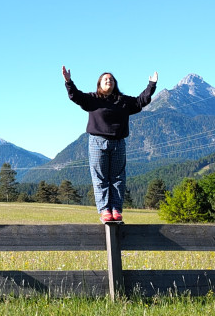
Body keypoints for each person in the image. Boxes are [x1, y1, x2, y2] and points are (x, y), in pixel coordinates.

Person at [62, 65, 158, 223]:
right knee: (100, 178)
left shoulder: (123, 101)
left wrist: (151, 85)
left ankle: (116, 209)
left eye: (111, 79)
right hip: (97, 142)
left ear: (115, 84)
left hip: (118, 143)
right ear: (99, 83)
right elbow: (75, 96)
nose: (109, 80)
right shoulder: (92, 99)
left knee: (118, 178)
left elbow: (140, 101)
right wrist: (68, 81)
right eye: (105, 79)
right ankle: (104, 210)